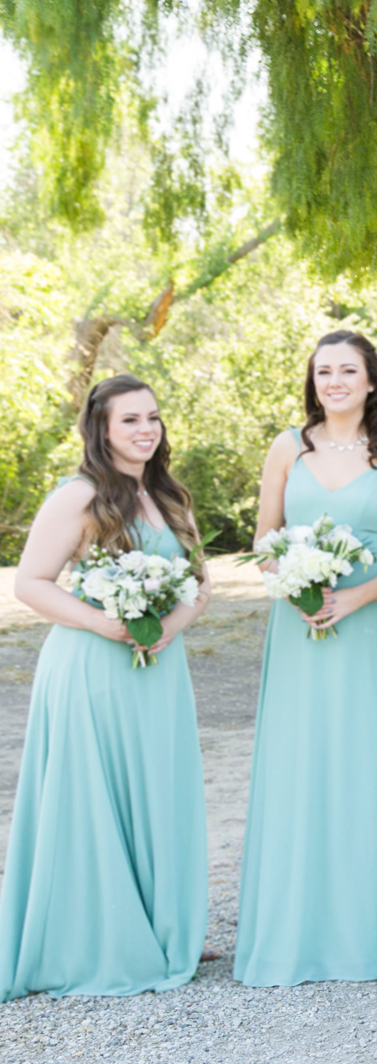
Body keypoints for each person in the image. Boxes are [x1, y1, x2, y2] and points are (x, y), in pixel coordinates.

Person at [1, 375, 210, 1000]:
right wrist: (106, 622)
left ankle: (159, 925)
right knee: (92, 798)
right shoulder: (80, 494)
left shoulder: (169, 494)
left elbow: (200, 585)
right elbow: (31, 583)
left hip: (159, 665)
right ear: (102, 429)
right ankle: (94, 937)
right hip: (91, 665)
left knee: (155, 790)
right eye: (130, 421)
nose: (146, 430)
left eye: (154, 418)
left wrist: (167, 627)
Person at [234, 331, 377, 987]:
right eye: (325, 372)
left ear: (372, 381)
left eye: (349, 371)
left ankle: (366, 937)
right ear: (312, 381)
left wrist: (355, 598)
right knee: (300, 766)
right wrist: (292, 586)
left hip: (368, 631)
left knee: (362, 764)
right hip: (298, 628)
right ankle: (292, 931)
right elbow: (264, 537)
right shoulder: (288, 447)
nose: (336, 381)